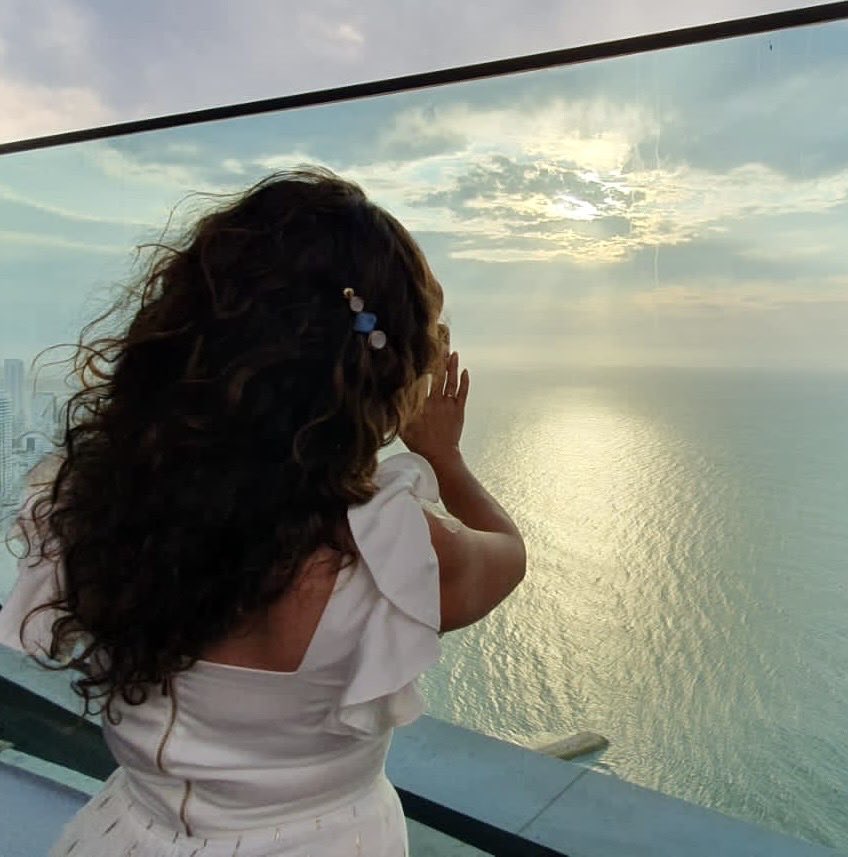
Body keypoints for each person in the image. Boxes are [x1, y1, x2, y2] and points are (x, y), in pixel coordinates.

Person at [0, 167, 526, 856]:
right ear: (377, 372)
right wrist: (445, 458)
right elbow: (507, 554)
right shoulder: (382, 552)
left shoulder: (92, 505)